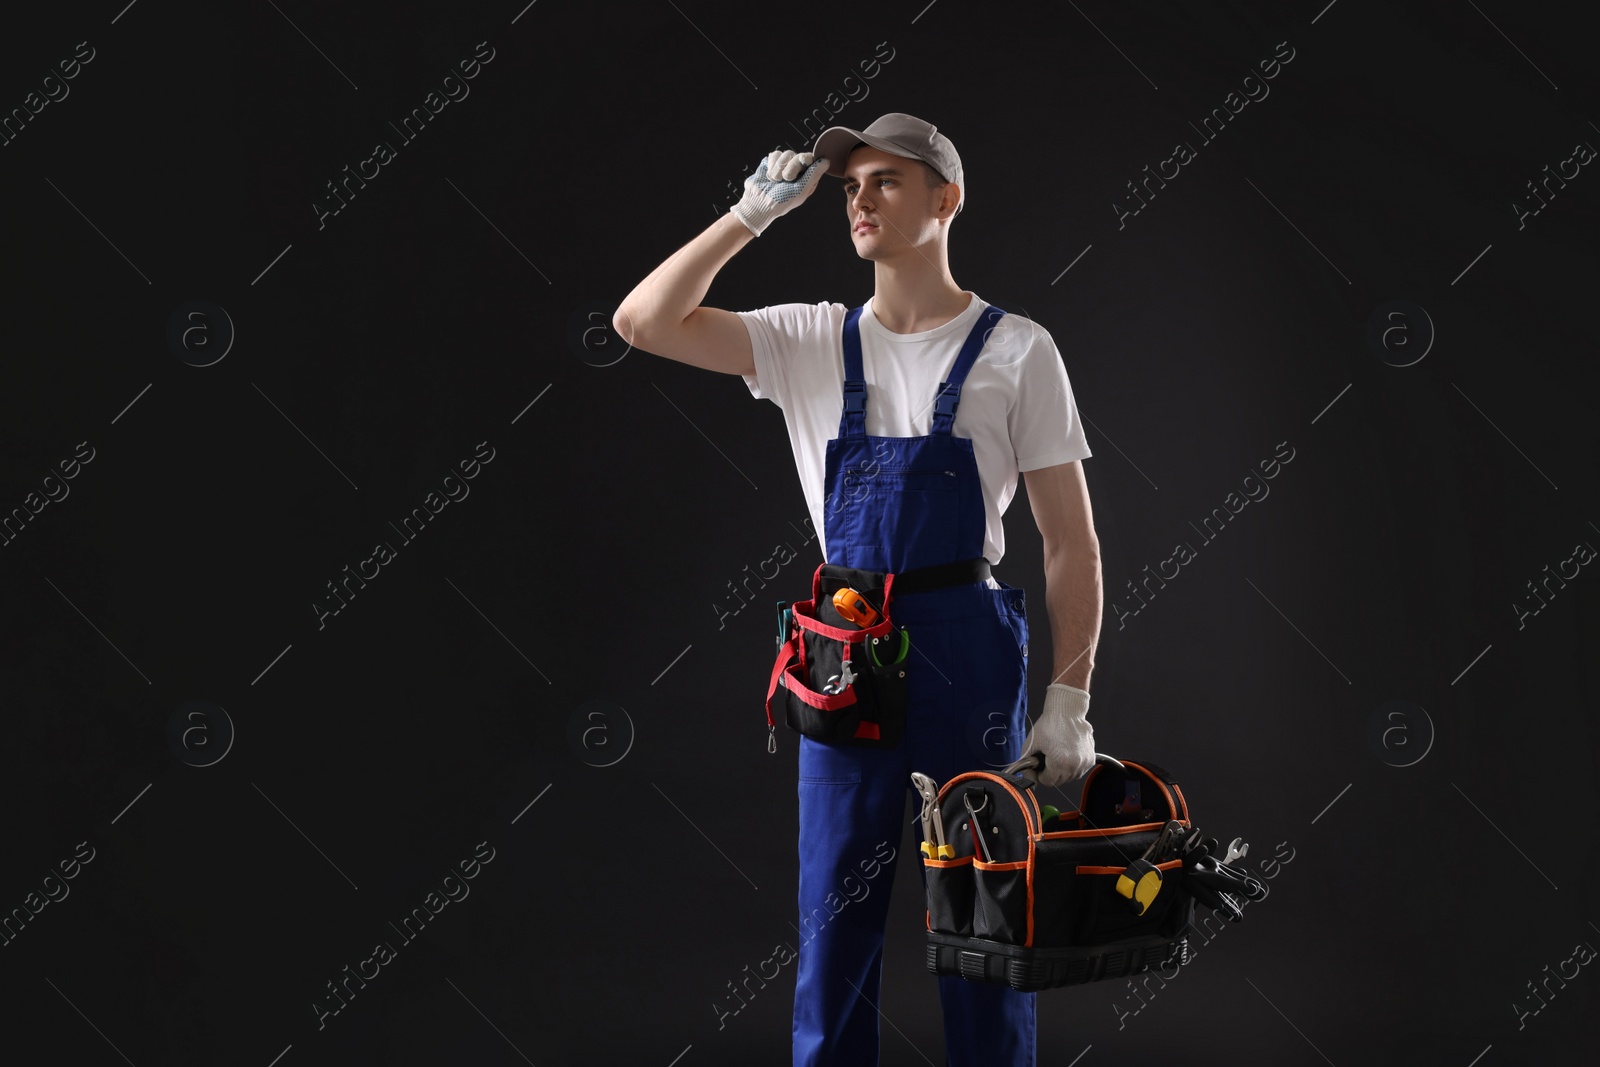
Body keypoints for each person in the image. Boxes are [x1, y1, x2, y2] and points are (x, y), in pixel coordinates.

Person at [614, 113, 1103, 1067]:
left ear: (945, 199)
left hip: (967, 656)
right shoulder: (806, 341)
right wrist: (747, 219)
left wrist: (1069, 700)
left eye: (885, 181)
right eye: (849, 188)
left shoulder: (1019, 351)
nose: (860, 200)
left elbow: (1071, 545)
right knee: (833, 932)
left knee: (986, 927)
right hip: (844, 663)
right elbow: (643, 322)